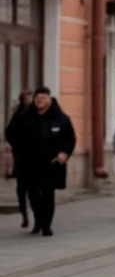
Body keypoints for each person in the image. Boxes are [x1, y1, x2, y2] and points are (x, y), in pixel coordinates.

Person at [10, 87, 75, 237]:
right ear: (34, 100)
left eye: (43, 98)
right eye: (38, 98)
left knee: (47, 194)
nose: (40, 101)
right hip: (29, 164)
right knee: (32, 194)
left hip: (50, 164)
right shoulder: (24, 116)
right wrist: (19, 149)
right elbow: (11, 133)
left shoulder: (60, 118)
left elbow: (70, 139)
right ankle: (38, 220)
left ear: (49, 100)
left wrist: (65, 153)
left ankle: (47, 225)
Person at [5, 91, 32, 228]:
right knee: (21, 188)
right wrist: (17, 145)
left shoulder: (38, 114)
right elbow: (9, 132)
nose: (28, 101)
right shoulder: (18, 115)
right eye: (26, 98)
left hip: (36, 157)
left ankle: (38, 218)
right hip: (21, 157)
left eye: (30, 98)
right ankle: (24, 215)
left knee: (34, 188)